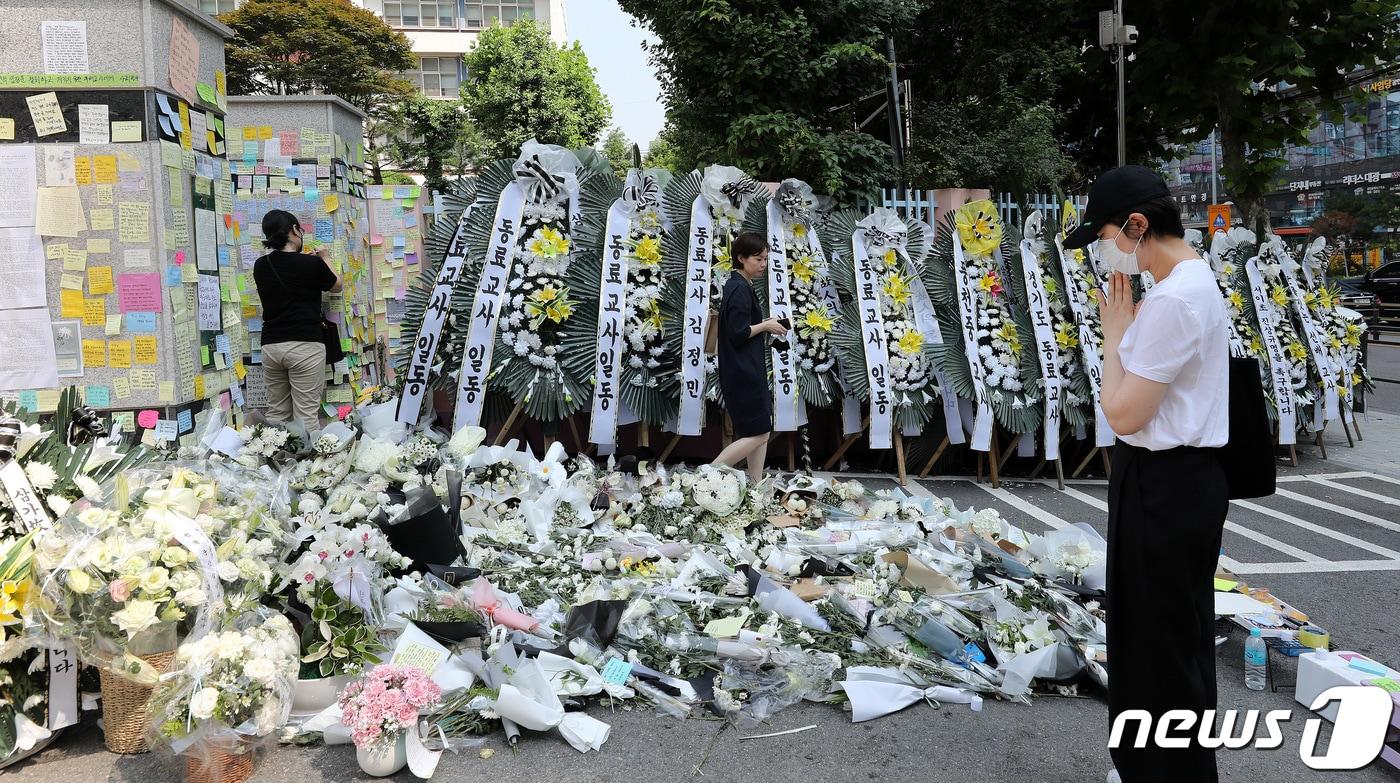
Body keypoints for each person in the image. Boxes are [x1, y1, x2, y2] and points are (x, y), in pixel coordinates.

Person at [1063, 165, 1229, 783]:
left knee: (1160, 640)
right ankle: (1145, 765)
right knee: (1155, 632)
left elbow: (1124, 413)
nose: (1105, 252)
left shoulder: (1177, 299)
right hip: (1171, 481)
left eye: (1106, 235)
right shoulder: (1184, 285)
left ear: (1137, 226)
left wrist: (1113, 337)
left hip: (1165, 483)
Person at [252, 209, 343, 427]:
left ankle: (275, 458)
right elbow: (337, 286)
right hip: (305, 345)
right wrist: (325, 257)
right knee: (305, 416)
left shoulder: (261, 265)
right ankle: (306, 461)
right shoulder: (312, 264)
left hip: (271, 346)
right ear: (294, 230)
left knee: (277, 413)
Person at [711, 232, 787, 482]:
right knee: (760, 434)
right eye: (758, 259)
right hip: (743, 371)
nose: (763, 264)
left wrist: (765, 323)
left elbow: (742, 326)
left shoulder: (740, 285)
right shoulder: (739, 288)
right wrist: (766, 327)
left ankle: (756, 485)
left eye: (765, 259)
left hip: (746, 368)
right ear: (741, 258)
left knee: (760, 429)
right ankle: (708, 473)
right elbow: (738, 333)